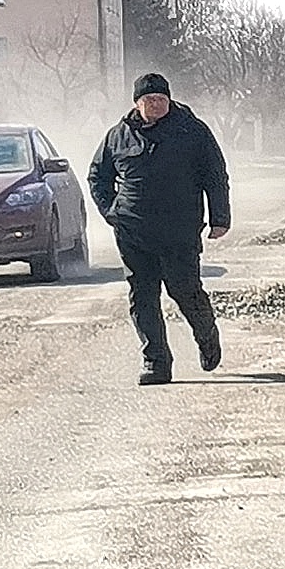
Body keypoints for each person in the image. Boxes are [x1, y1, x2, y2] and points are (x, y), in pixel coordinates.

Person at [86, 72, 232, 385]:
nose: (155, 104)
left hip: (179, 230)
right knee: (143, 295)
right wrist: (112, 211)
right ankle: (156, 362)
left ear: (169, 100)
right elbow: (97, 176)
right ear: (137, 103)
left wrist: (219, 217)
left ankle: (206, 335)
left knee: (184, 290)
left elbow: (215, 174)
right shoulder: (118, 135)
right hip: (133, 232)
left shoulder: (192, 131)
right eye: (149, 100)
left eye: (161, 99)